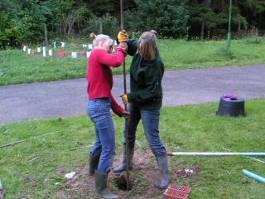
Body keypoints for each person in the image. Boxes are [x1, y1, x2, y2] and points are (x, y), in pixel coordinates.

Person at [113, 31, 170, 189]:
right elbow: (126, 45)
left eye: (141, 48)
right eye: (138, 46)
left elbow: (152, 92)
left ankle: (165, 175)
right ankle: (127, 162)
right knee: (128, 132)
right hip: (135, 101)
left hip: (150, 104)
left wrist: (130, 97)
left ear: (149, 49)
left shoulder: (156, 64)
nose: (138, 50)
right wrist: (121, 38)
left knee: (153, 139)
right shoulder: (138, 48)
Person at [87, 34, 128, 199]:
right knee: (109, 148)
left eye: (112, 47)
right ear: (101, 43)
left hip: (96, 105)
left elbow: (104, 92)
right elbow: (117, 61)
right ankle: (101, 189)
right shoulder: (97, 53)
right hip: (99, 108)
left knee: (100, 142)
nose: (111, 50)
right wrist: (121, 49)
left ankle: (93, 171)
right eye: (110, 46)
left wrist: (118, 110)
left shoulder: (97, 60)